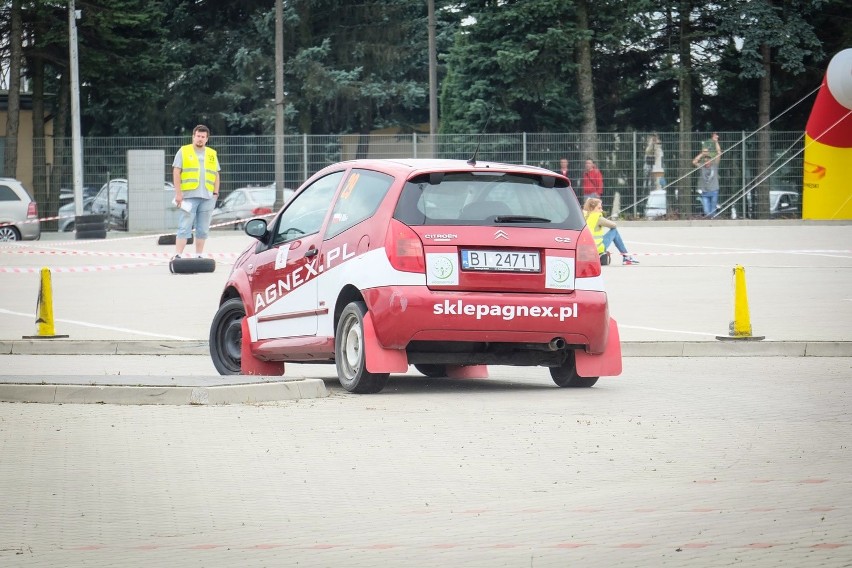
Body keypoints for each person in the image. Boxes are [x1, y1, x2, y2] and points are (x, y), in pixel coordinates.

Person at [172, 124, 221, 259]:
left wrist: (215, 193)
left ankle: (199, 255)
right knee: (184, 226)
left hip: (208, 197)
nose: (200, 139)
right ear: (193, 137)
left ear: (207, 139)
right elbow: (176, 171)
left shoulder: (212, 153)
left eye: (203, 137)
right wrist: (178, 193)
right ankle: (178, 255)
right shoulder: (184, 151)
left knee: (203, 228)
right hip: (188, 196)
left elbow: (216, 174)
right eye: (198, 136)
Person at [582, 197, 639, 265]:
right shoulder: (597, 217)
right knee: (614, 231)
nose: (601, 210)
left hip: (585, 248)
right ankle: (626, 257)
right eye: (599, 208)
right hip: (597, 248)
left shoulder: (583, 215)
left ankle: (626, 257)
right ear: (591, 208)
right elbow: (614, 225)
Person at [692, 132, 722, 217]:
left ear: (711, 160)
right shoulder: (702, 166)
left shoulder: (714, 165)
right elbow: (694, 162)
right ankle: (710, 219)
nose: (707, 161)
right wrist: (702, 153)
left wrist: (716, 142)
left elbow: (719, 153)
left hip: (714, 191)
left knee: (712, 211)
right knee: (706, 211)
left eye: (708, 159)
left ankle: (713, 222)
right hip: (704, 192)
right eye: (705, 160)